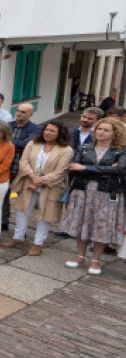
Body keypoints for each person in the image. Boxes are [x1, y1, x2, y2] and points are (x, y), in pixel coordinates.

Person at [61, 117, 126, 276]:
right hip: (83, 191)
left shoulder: (120, 151)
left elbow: (120, 170)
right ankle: (80, 256)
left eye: (106, 130)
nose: (101, 132)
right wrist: (103, 170)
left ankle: (95, 260)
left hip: (106, 193)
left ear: (114, 133)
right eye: (99, 129)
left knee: (101, 226)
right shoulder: (84, 148)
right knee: (82, 223)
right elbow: (74, 167)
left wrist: (85, 168)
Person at [4, 121, 73, 256]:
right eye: (46, 130)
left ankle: (38, 243)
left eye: (52, 131)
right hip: (29, 182)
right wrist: (32, 177)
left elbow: (61, 172)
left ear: (60, 133)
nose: (48, 133)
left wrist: (40, 181)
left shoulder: (66, 150)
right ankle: (18, 237)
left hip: (51, 186)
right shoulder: (33, 144)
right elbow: (23, 162)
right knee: (22, 210)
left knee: (45, 215)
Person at [1, 103, 43, 230]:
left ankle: (21, 229)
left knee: (23, 199)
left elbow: (28, 145)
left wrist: (9, 144)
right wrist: (16, 144)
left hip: (22, 168)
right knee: (3, 195)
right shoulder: (8, 125)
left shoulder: (35, 129)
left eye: (23, 112)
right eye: (18, 111)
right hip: (6, 165)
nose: (19, 113)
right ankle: (3, 222)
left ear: (31, 114)